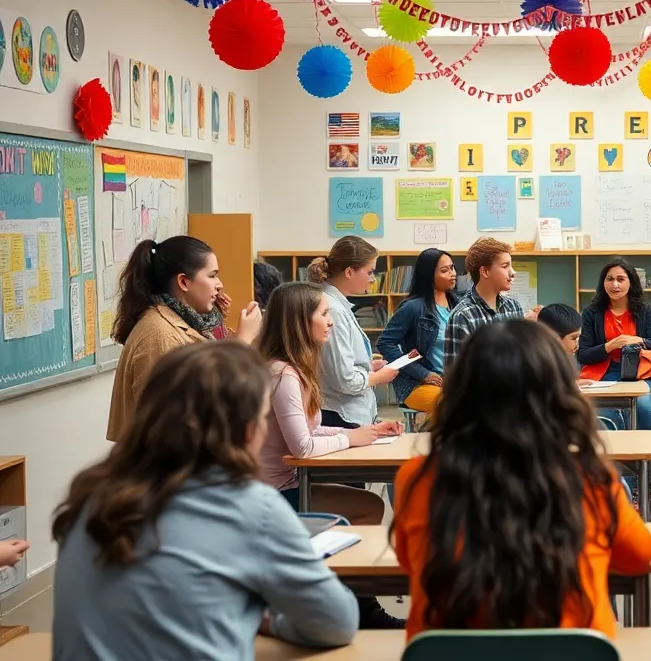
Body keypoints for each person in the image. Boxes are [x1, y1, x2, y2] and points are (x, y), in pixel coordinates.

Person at [53, 342, 359, 659]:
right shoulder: (251, 506)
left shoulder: (89, 497)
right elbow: (337, 623)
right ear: (247, 430)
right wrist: (265, 621)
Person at [392, 320, 651, 638]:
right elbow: (639, 558)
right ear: (558, 391)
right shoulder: (589, 476)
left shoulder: (418, 477)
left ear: (463, 389)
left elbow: (410, 563)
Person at [255, 282, 403, 630]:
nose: (330, 322)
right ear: (299, 322)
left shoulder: (295, 369)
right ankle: (354, 605)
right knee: (367, 507)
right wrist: (351, 439)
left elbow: (307, 432)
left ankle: (352, 601)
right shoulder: (283, 374)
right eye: (323, 314)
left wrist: (360, 433)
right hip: (274, 495)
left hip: (286, 484)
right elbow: (302, 447)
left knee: (368, 506)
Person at [107, 236, 261, 441]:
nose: (219, 285)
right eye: (212, 275)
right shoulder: (159, 333)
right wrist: (241, 343)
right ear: (183, 281)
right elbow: (170, 421)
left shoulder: (192, 322)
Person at [577, 257, 651, 520]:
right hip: (603, 374)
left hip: (638, 371)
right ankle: (615, 490)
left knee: (641, 409)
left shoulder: (644, 310)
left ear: (631, 282)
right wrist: (610, 345)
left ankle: (650, 489)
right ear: (602, 283)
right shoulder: (592, 312)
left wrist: (636, 339)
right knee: (602, 418)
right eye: (609, 279)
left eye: (621, 279)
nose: (615, 284)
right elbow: (584, 354)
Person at [306, 236, 398, 428]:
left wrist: (368, 366)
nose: (373, 279)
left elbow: (339, 365)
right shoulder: (333, 310)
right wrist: (380, 377)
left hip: (348, 412)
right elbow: (345, 381)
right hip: (341, 414)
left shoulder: (338, 304)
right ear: (349, 272)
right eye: (370, 272)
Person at [378, 248, 459, 417]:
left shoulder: (458, 305)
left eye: (452, 268)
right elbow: (385, 343)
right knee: (454, 406)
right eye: (445, 270)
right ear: (429, 275)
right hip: (417, 384)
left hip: (452, 382)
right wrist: (423, 373)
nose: (452, 274)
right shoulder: (413, 307)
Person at [443, 237, 527, 369]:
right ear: (485, 272)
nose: (513, 272)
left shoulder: (514, 307)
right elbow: (456, 376)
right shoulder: (463, 315)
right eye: (505, 266)